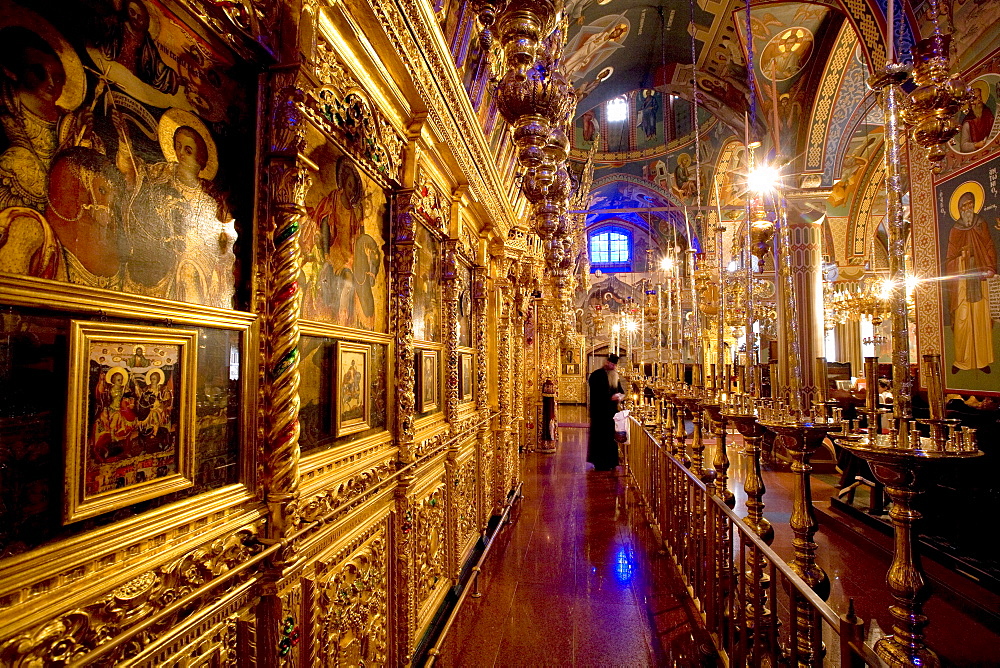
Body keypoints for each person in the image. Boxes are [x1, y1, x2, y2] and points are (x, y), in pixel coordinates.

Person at [944, 187, 997, 373]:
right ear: (959, 208)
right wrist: (961, 260)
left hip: (980, 279)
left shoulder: (981, 224)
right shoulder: (955, 230)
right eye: (964, 205)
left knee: (980, 319)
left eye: (970, 204)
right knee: (962, 320)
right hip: (962, 283)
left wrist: (990, 268)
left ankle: (982, 360)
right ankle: (961, 361)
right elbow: (949, 258)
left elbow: (989, 246)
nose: (968, 208)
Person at [587, 353, 625, 471]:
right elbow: (596, 394)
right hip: (599, 413)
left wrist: (621, 396)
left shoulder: (614, 376)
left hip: (611, 414)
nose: (612, 366)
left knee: (610, 438)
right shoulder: (596, 375)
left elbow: (620, 390)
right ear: (606, 362)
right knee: (600, 438)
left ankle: (612, 462)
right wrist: (609, 398)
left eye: (614, 364)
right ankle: (599, 462)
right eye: (610, 363)